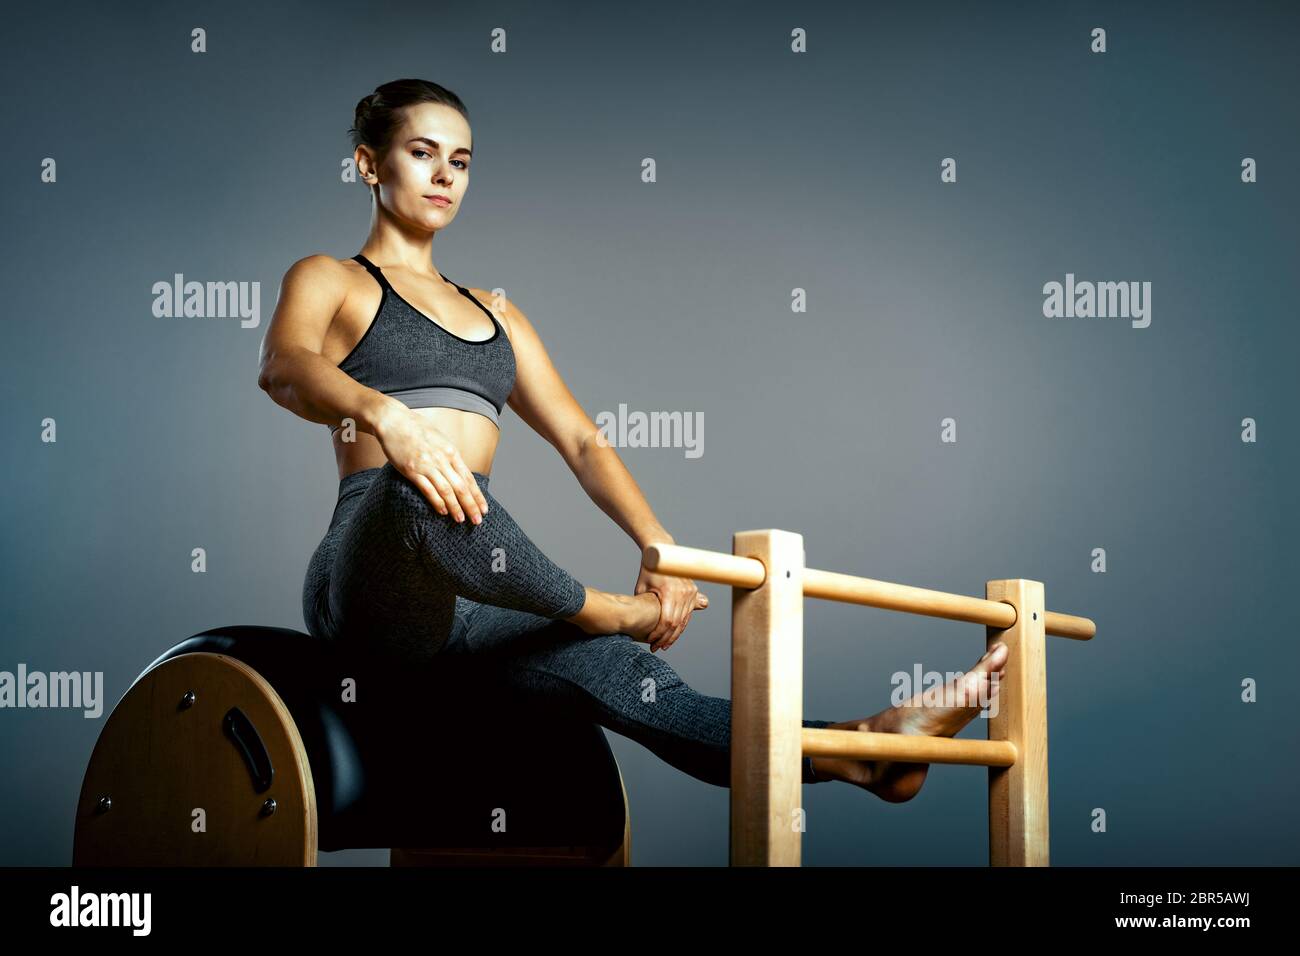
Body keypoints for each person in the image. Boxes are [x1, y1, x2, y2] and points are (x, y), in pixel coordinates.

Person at [256, 78, 1009, 798]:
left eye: (461, 161)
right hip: (371, 573)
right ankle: (596, 606)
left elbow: (584, 442)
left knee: (628, 674)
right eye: (423, 153)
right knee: (411, 483)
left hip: (476, 598)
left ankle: (859, 752)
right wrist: (390, 419)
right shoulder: (332, 278)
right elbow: (284, 369)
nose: (445, 175)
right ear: (367, 163)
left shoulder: (498, 315)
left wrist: (660, 549)